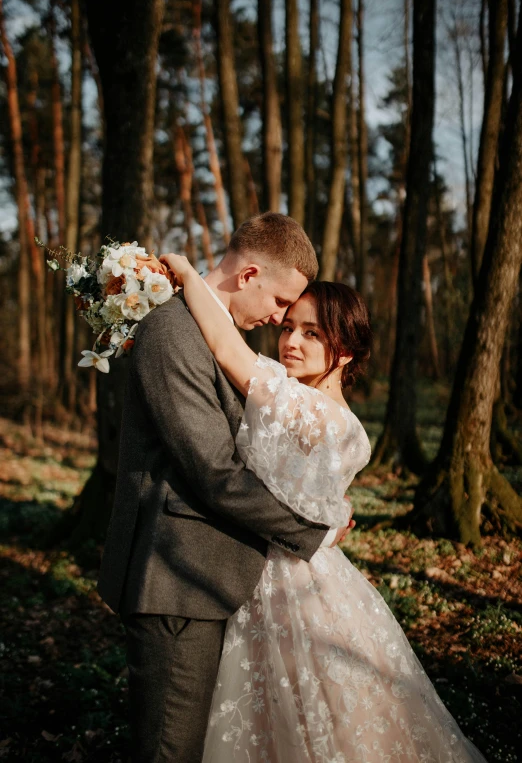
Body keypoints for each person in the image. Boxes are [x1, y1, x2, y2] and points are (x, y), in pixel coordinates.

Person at [160, 251, 488, 763]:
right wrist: (335, 518)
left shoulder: (308, 410)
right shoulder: (324, 410)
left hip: (285, 583)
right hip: (294, 567)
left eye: (312, 334)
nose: (291, 341)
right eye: (288, 326)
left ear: (346, 352)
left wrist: (183, 272)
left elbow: (225, 345)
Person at [96, 213, 351, 763]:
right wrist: (312, 531)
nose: (280, 320)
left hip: (214, 581)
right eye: (281, 304)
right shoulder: (171, 330)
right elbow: (213, 470)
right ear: (250, 273)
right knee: (171, 749)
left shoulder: (210, 330)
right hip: (174, 580)